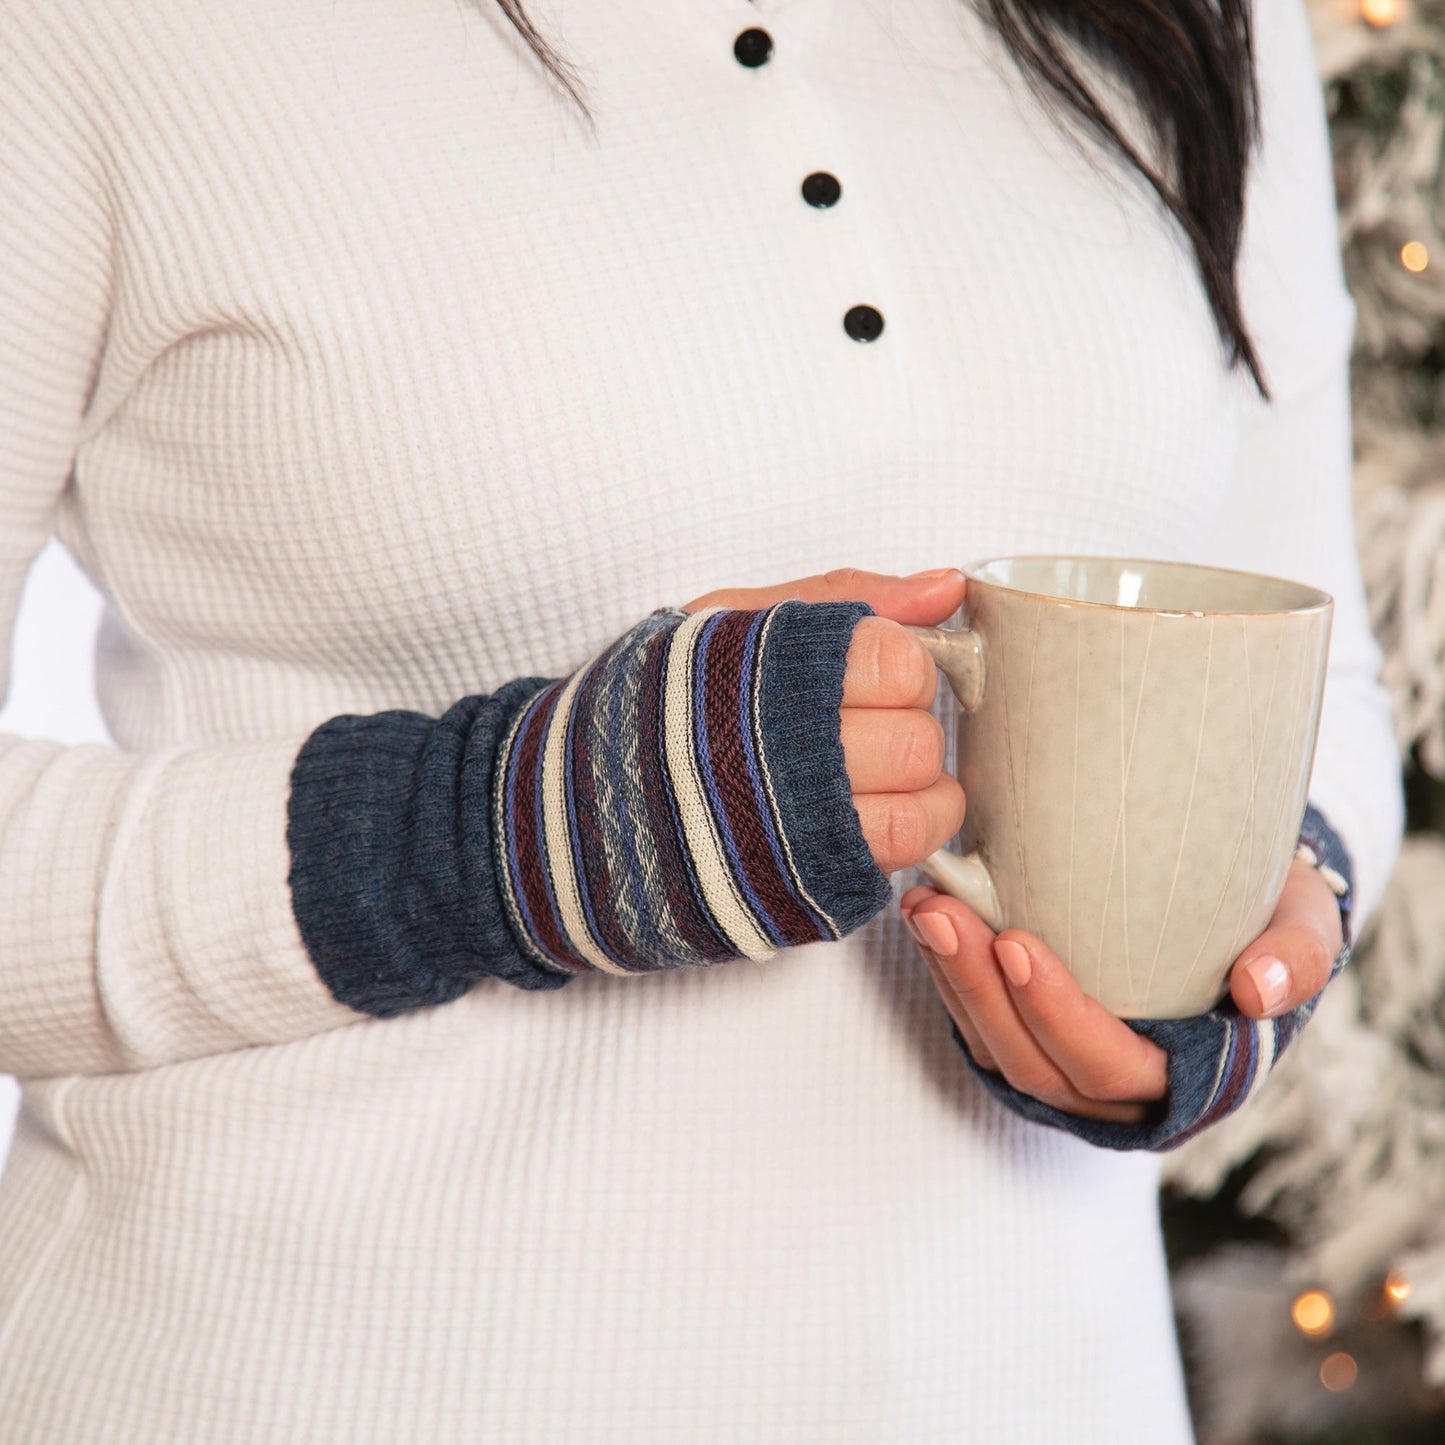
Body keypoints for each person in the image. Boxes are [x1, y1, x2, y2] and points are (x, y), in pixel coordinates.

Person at [0, 0, 1403, 1441]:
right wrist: (507, 834)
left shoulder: (1210, 18)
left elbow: (1324, 679)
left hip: (1047, 1394)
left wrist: (1238, 949)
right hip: (282, 1383)